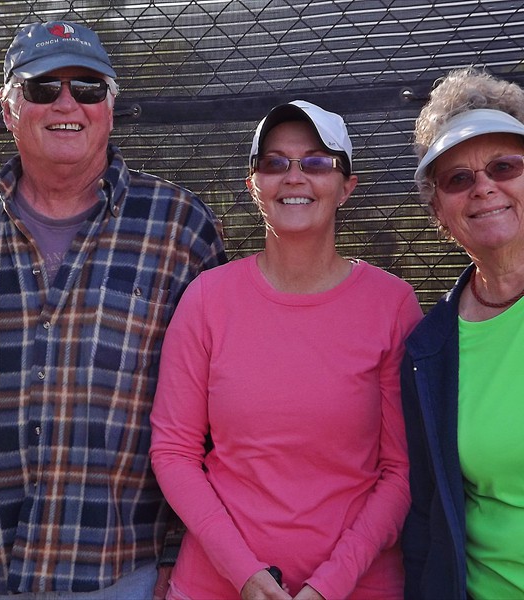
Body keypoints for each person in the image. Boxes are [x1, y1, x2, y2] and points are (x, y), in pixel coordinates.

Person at [0, 20, 227, 599]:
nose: (67, 103)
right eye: (43, 88)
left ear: (111, 105)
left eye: (89, 88)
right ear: (8, 110)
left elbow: (218, 414)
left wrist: (188, 549)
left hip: (127, 573)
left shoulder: (179, 228)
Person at [149, 100, 423, 600]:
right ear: (254, 186)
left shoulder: (393, 306)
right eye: (275, 163)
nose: (294, 177)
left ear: (347, 187)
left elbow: (401, 470)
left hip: (360, 586)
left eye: (317, 162)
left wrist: (328, 585)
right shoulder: (208, 300)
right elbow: (174, 452)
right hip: (217, 585)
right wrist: (247, 576)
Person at [401, 67, 524, 600]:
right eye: (458, 179)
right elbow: (429, 512)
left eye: (505, 166)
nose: (484, 187)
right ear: (440, 213)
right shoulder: (429, 348)